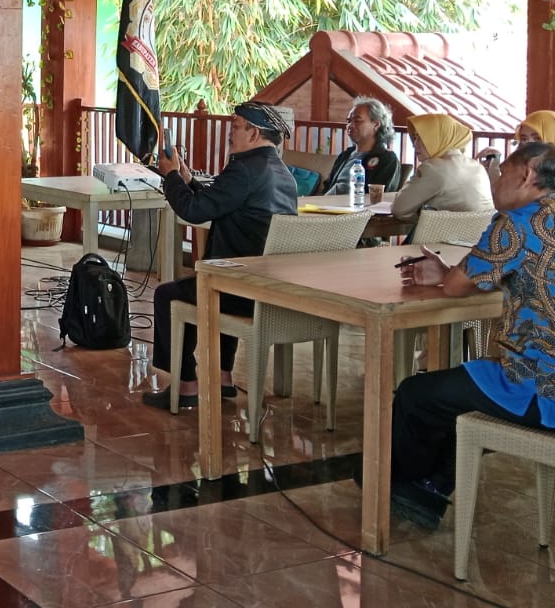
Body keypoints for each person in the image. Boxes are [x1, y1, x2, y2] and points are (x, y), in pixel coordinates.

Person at [388, 142, 555, 531]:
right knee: (464, 392)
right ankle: (431, 484)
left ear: (528, 174)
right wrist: (452, 274)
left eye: (502, 173)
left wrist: (449, 275)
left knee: (415, 395)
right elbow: (505, 272)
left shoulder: (519, 221)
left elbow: (456, 288)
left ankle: (405, 490)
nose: (495, 181)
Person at [146, 101, 300, 408]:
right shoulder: (282, 173)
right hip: (262, 285)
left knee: (168, 295)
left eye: (235, 126)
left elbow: (192, 210)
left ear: (254, 133)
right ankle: (223, 378)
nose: (230, 133)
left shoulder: (243, 168)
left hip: (236, 286)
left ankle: (187, 385)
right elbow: (220, 202)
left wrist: (171, 176)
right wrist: (188, 181)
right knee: (214, 282)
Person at [389, 112, 493, 219]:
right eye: (415, 137)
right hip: (478, 235)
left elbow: (398, 209)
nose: (414, 144)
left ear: (439, 138)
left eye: (422, 138)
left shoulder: (433, 168)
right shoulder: (477, 167)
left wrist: (427, 218)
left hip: (442, 235)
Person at [321, 96, 401, 195]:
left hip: (357, 209)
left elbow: (378, 197)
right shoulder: (345, 155)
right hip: (327, 206)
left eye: (357, 121)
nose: (350, 125)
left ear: (376, 124)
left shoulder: (386, 159)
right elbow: (327, 187)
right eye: (348, 121)